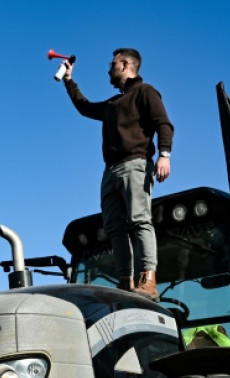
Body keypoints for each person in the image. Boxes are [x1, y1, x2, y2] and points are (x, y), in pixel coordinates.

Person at [61, 48, 174, 301]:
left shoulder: (145, 92)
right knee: (114, 227)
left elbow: (163, 123)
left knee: (139, 220)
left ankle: (148, 277)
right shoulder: (114, 104)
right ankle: (126, 279)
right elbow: (85, 107)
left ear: (125, 65)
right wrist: (69, 81)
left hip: (135, 164)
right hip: (110, 170)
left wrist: (164, 154)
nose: (108, 69)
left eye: (112, 64)